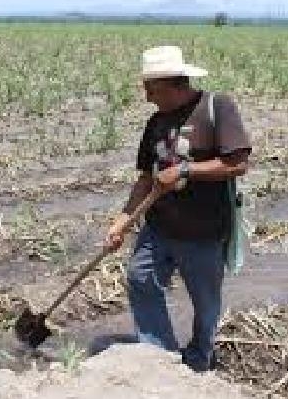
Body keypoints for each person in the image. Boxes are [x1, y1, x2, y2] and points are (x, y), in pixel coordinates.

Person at [105, 45, 252, 372]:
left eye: (151, 89)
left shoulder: (217, 108)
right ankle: (160, 356)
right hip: (158, 227)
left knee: (205, 301)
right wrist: (122, 220)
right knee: (140, 278)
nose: (146, 97)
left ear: (173, 84)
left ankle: (200, 357)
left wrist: (186, 171)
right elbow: (145, 179)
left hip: (204, 230)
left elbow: (238, 164)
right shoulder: (155, 123)